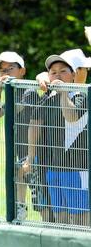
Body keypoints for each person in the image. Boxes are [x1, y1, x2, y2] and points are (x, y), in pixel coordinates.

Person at [25, 54, 88, 225]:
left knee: (81, 217)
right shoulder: (48, 97)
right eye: (53, 72)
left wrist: (63, 93)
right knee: (60, 215)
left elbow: (71, 116)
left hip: (78, 168)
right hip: (54, 167)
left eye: (63, 71)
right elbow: (34, 124)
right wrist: (30, 157)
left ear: (74, 74)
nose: (58, 75)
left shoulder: (81, 95)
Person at [0, 51, 45, 222]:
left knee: (41, 198)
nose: (5, 73)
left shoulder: (29, 91)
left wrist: (6, 85)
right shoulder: (12, 91)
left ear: (22, 71)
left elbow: (17, 110)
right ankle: (21, 207)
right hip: (22, 151)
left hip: (36, 153)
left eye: (10, 68)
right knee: (18, 174)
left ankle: (47, 223)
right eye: (2, 70)